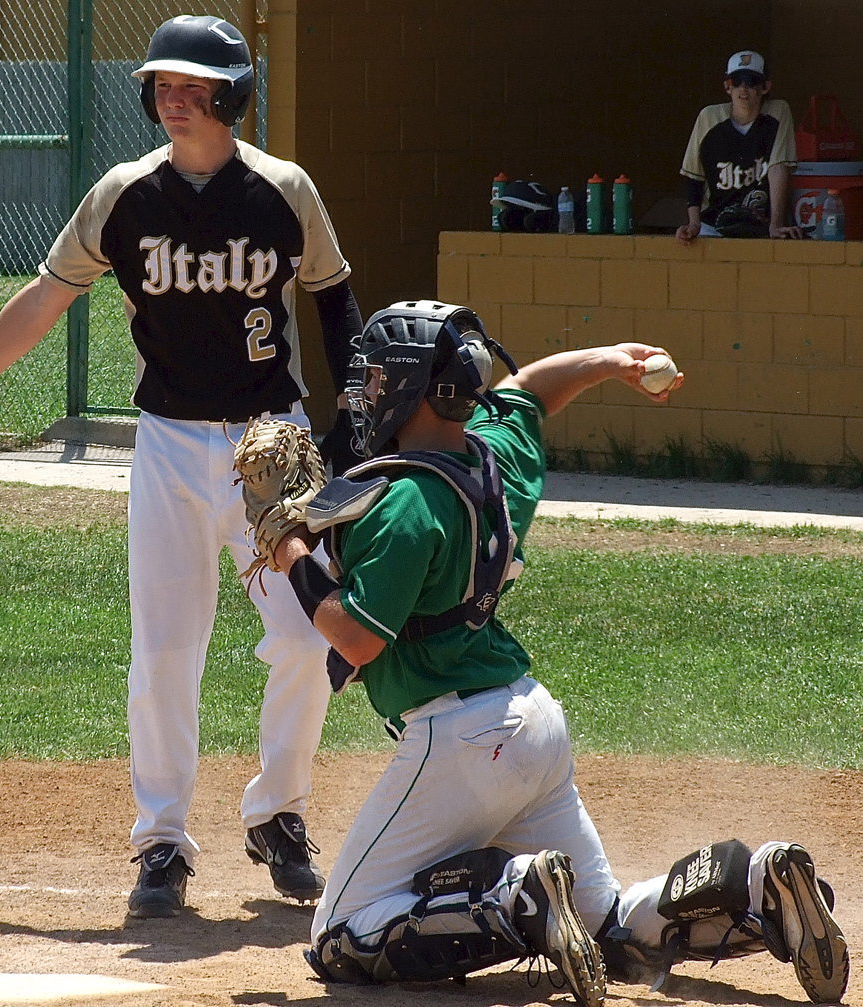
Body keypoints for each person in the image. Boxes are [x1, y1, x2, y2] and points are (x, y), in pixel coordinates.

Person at [268, 300, 848, 1005]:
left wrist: (288, 548)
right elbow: (529, 391)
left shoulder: (404, 503)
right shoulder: (491, 457)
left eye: (379, 379)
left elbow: (355, 634)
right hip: (531, 721)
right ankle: (758, 884)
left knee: (340, 936)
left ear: (418, 388)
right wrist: (608, 362)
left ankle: (517, 896)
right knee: (608, 923)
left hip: (457, 740)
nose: (366, 393)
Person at [0, 14, 363, 918]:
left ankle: (278, 812)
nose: (171, 95)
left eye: (192, 83)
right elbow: (47, 296)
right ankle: (162, 839)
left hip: (269, 448)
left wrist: (350, 421)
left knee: (307, 635)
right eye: (161, 81)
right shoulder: (125, 194)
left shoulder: (283, 190)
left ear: (231, 95)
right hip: (166, 442)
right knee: (164, 645)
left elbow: (336, 303)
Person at [676, 50, 804, 244]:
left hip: (760, 224)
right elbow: (694, 176)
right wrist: (694, 224)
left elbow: (778, 168)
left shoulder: (777, 113)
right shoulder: (709, 117)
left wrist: (775, 225)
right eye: (737, 81)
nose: (743, 88)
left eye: (751, 81)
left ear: (765, 87)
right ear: (728, 86)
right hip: (713, 225)